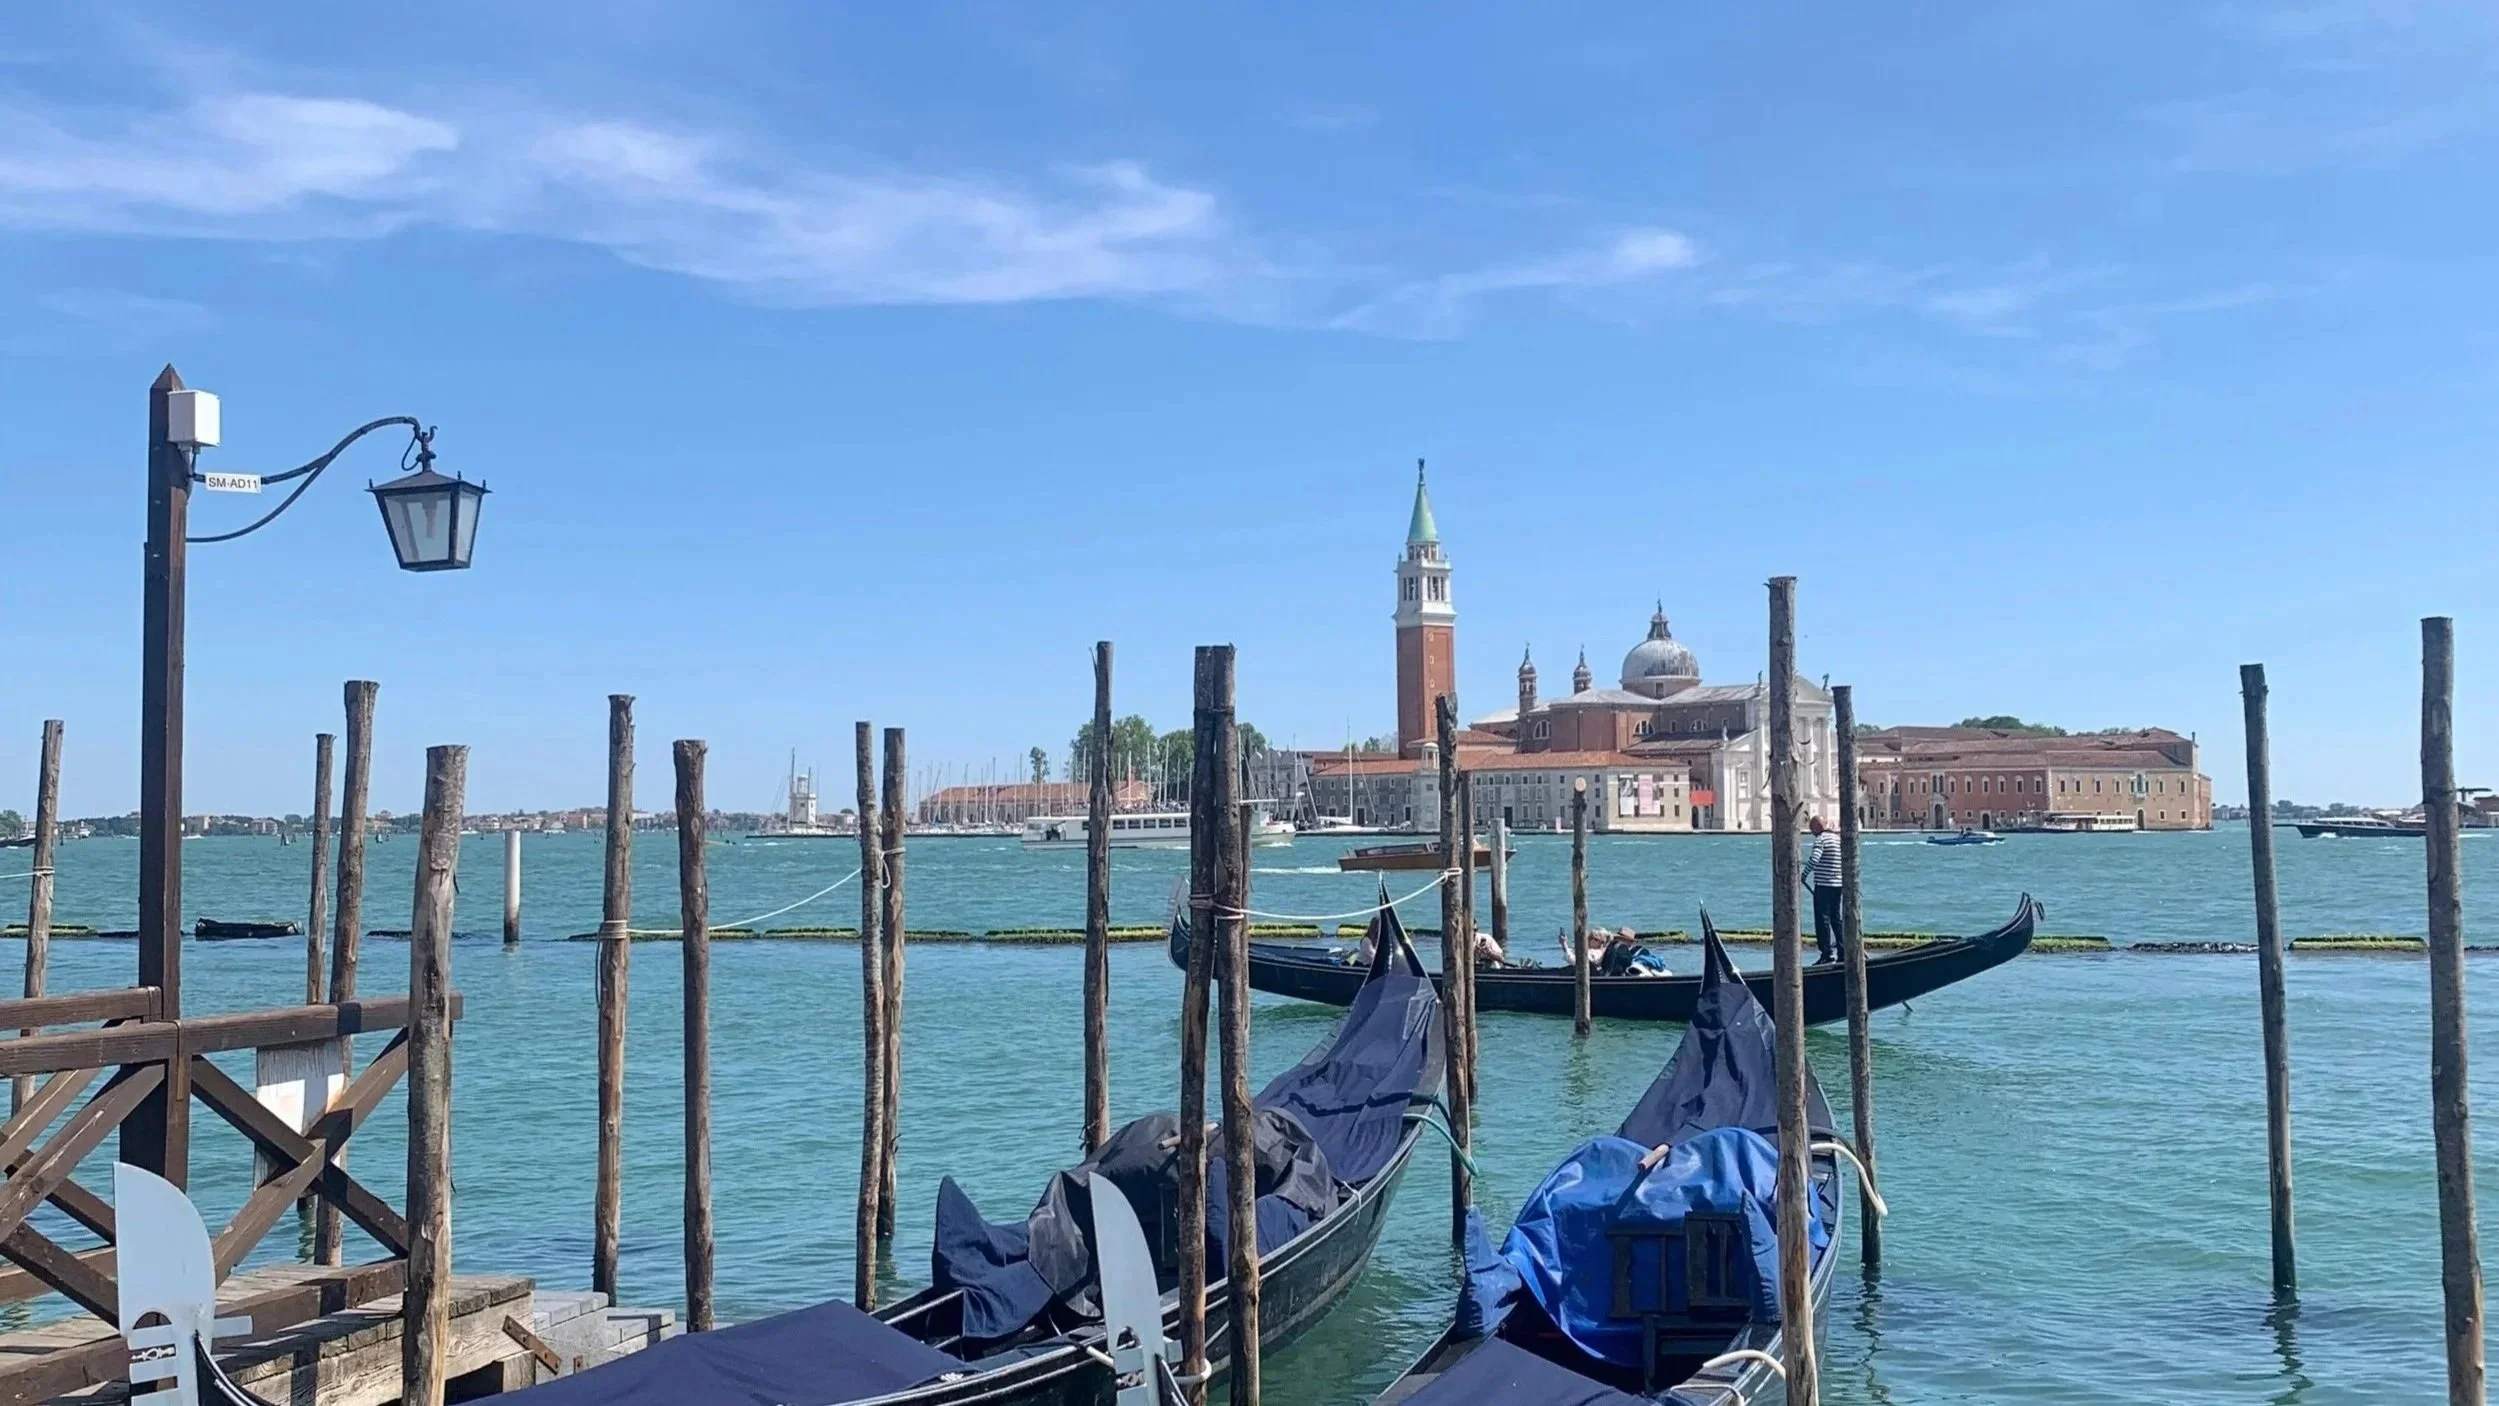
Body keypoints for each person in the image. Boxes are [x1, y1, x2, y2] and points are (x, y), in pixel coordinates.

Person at [1803, 813, 1843, 963]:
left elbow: (1815, 859)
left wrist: (1804, 874)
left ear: (1815, 827)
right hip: (1837, 884)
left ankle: (1826, 954)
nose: (1811, 832)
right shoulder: (1836, 839)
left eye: (1811, 829)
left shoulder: (1821, 839)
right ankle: (1842, 950)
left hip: (1824, 885)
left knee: (1822, 920)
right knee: (1835, 918)